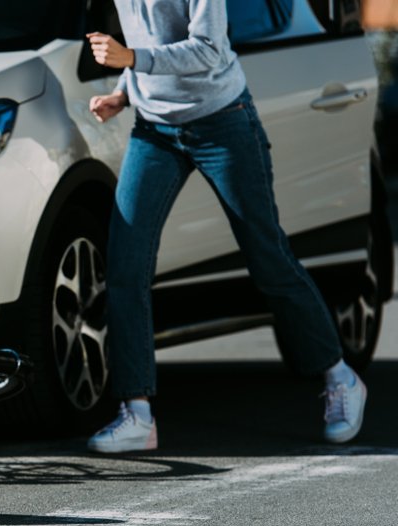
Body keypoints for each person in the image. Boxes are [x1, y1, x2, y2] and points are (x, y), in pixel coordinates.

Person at [83, 0, 368, 453]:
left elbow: (208, 50)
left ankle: (340, 376)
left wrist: (132, 60)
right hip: (155, 129)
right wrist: (125, 90)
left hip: (223, 121)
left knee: (267, 259)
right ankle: (136, 413)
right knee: (124, 264)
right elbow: (146, 38)